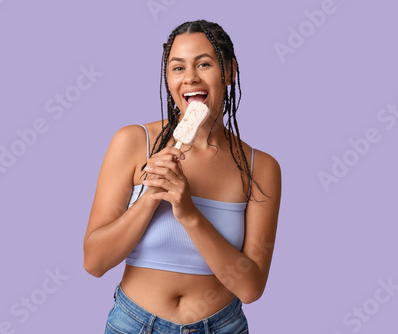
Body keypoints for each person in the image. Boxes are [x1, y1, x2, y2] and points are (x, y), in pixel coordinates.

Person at [84, 19, 281, 334]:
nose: (190, 77)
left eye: (204, 64)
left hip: (223, 327)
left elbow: (250, 288)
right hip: (134, 325)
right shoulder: (134, 142)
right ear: (168, 77)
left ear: (229, 72)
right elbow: (94, 262)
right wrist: (151, 196)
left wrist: (188, 213)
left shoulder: (261, 167)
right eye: (178, 68)